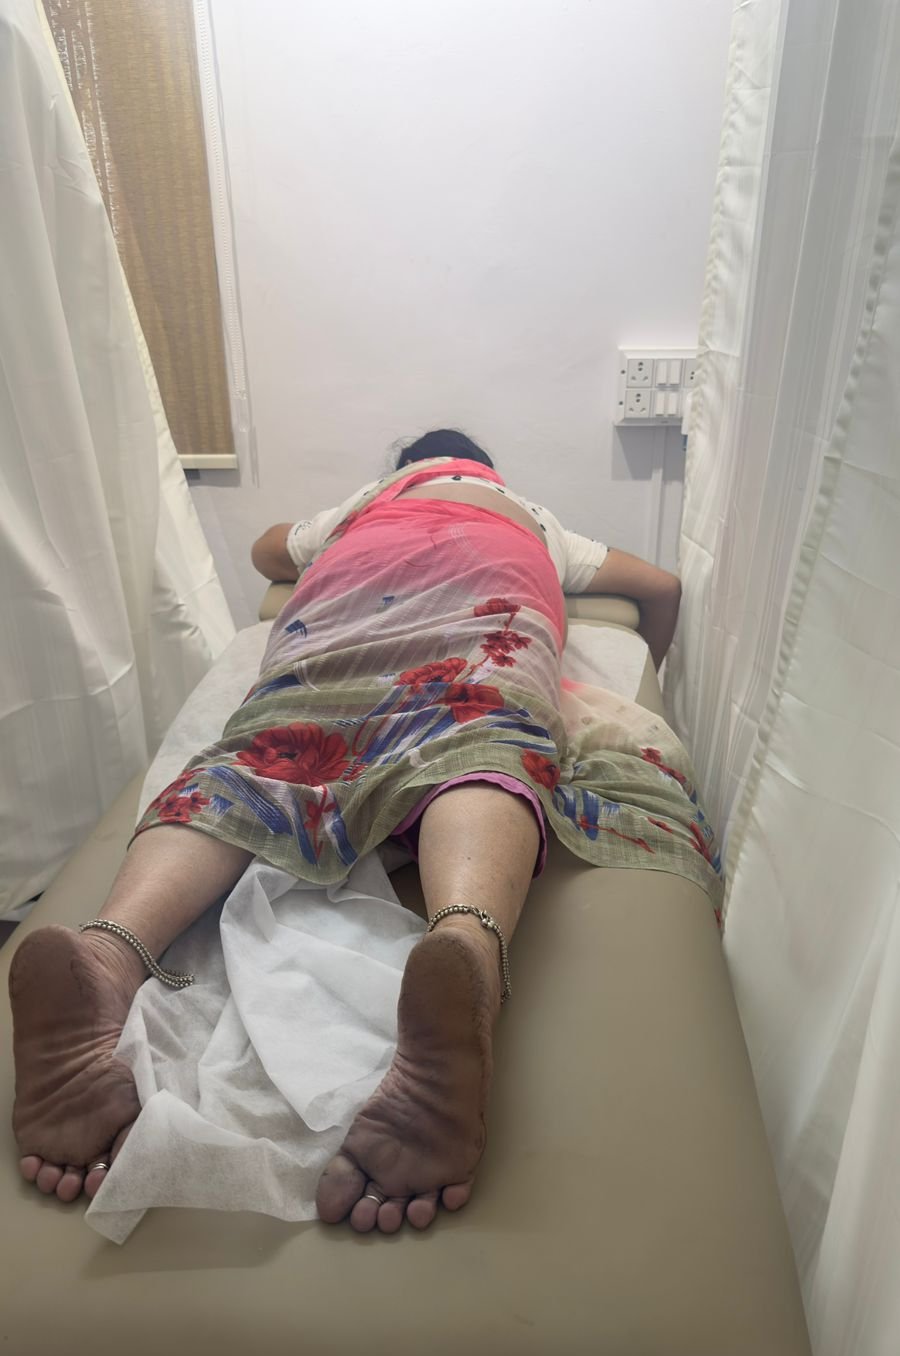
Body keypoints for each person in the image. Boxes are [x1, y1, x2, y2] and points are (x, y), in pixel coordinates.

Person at [9, 429, 720, 1234]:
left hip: (348, 603)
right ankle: (468, 941)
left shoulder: (371, 503)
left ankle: (107, 953)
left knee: (258, 756)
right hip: (490, 591)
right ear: (486, 470)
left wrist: (333, 530)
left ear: (403, 468)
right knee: (478, 733)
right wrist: (648, 661)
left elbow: (266, 550)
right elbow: (660, 585)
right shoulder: (530, 516)